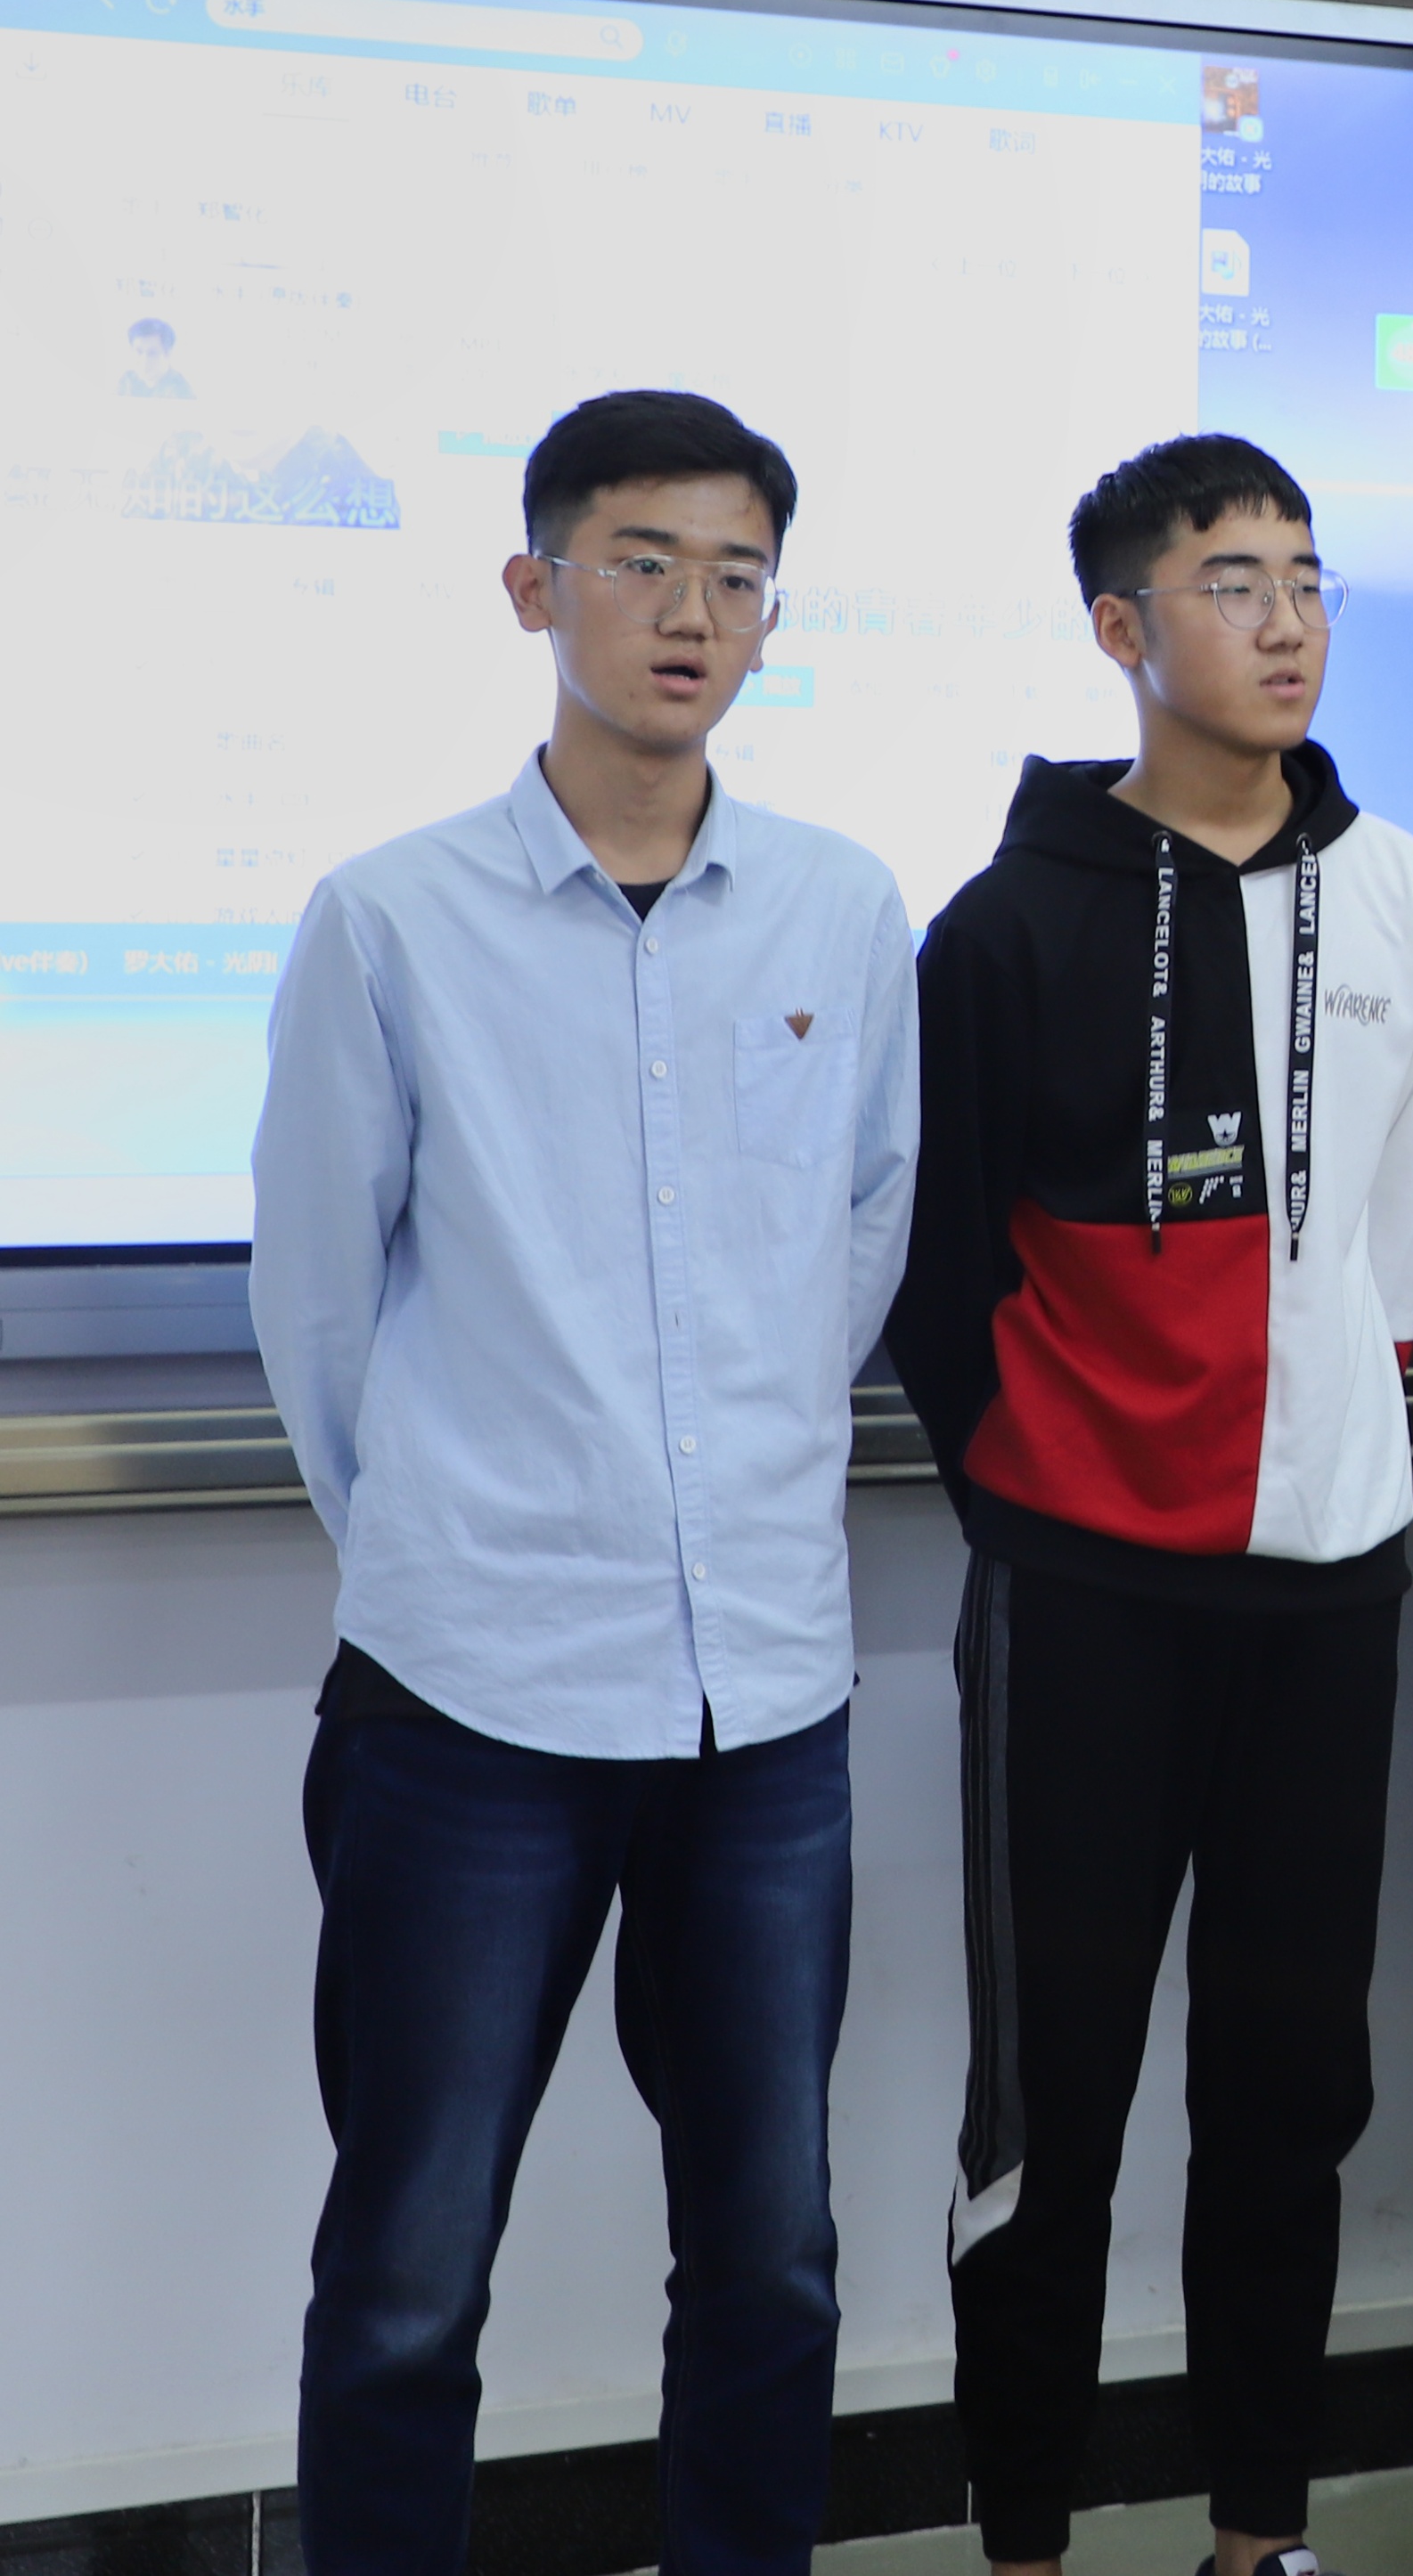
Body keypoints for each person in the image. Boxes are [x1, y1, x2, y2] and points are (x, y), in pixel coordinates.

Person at [251, 388, 913, 2576]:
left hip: (765, 1695)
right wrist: (455, 1538)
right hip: (474, 1694)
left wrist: (730, 1481)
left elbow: (859, 1233)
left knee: (774, 2251)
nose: (690, 611)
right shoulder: (392, 916)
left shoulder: (839, 907)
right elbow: (318, 1299)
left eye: (736, 574)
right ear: (535, 588)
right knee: (411, 2266)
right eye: (641, 562)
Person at [888, 434, 1413, 2576]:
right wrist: (1049, 1491)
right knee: (1051, 2098)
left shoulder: (1404, 892)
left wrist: (1313, 1455)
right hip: (1084, 1591)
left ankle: (1256, 2531)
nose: (1287, 618)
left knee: (1291, 2083)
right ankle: (1026, 2537)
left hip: (1327, 1587)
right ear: (1122, 627)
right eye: (1234, 580)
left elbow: (1388, 1251)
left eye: (1308, 575)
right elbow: (940, 1277)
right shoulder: (1005, 924)